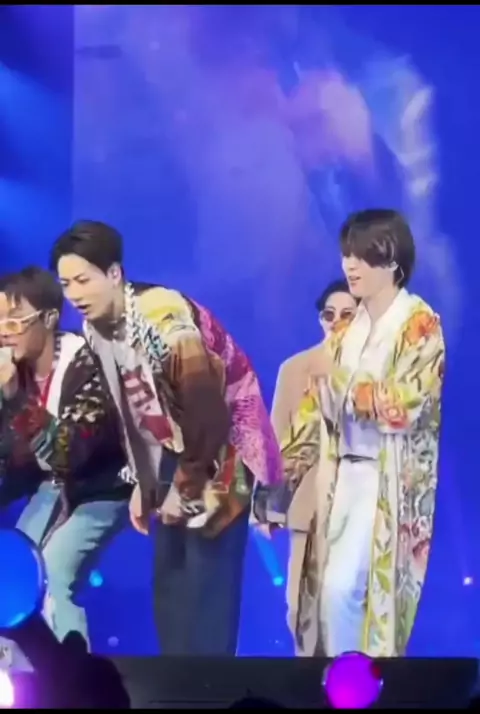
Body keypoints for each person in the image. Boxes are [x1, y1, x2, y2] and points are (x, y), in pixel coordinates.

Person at [49, 220, 282, 656]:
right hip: (177, 448)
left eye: (83, 280)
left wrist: (185, 486)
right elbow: (132, 410)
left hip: (223, 448)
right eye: (66, 284)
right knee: (171, 589)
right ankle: (178, 685)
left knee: (205, 591)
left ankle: (209, 688)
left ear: (114, 274)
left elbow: (206, 412)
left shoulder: (163, 318)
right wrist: (145, 483)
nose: (75, 294)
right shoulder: (95, 329)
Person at [279, 209, 445, 657]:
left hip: (384, 478)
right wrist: (280, 472)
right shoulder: (348, 331)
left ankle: (358, 683)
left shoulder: (419, 324)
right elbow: (315, 409)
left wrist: (347, 388)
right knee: (327, 598)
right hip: (341, 477)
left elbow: (408, 401)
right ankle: (345, 679)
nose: (349, 266)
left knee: (344, 592)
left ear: (391, 261)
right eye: (347, 255)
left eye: (361, 256)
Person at [0, 267, 131, 668]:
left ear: (49, 319)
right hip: (53, 489)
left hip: (102, 489)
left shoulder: (87, 364)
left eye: (13, 321)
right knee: (16, 573)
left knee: (54, 572)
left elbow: (70, 452)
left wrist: (15, 398)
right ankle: (22, 676)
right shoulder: (16, 372)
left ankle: (74, 681)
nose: (4, 332)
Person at [271, 280, 358, 652]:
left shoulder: (378, 371)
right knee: (300, 609)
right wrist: (269, 507)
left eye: (347, 314)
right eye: (329, 314)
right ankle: (310, 677)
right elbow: (277, 439)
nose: (336, 321)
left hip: (360, 505)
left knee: (347, 608)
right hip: (308, 503)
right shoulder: (296, 368)